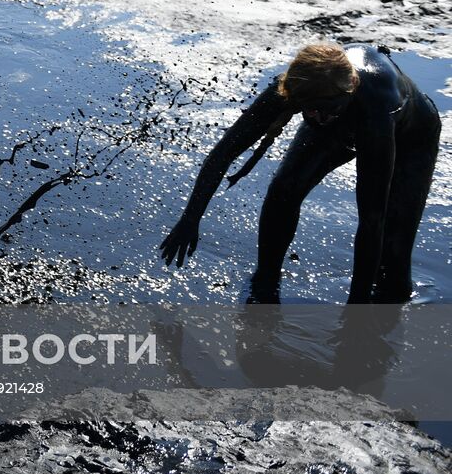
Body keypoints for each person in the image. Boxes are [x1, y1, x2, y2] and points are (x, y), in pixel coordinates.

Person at [159, 43, 441, 304]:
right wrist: (190, 218)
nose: (318, 118)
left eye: (326, 109)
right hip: (341, 124)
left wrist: (356, 314)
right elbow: (223, 154)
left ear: (350, 89)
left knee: (392, 268)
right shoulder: (294, 88)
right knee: (284, 190)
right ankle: (265, 280)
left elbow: (372, 218)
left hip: (411, 138)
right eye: (311, 111)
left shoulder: (375, 108)